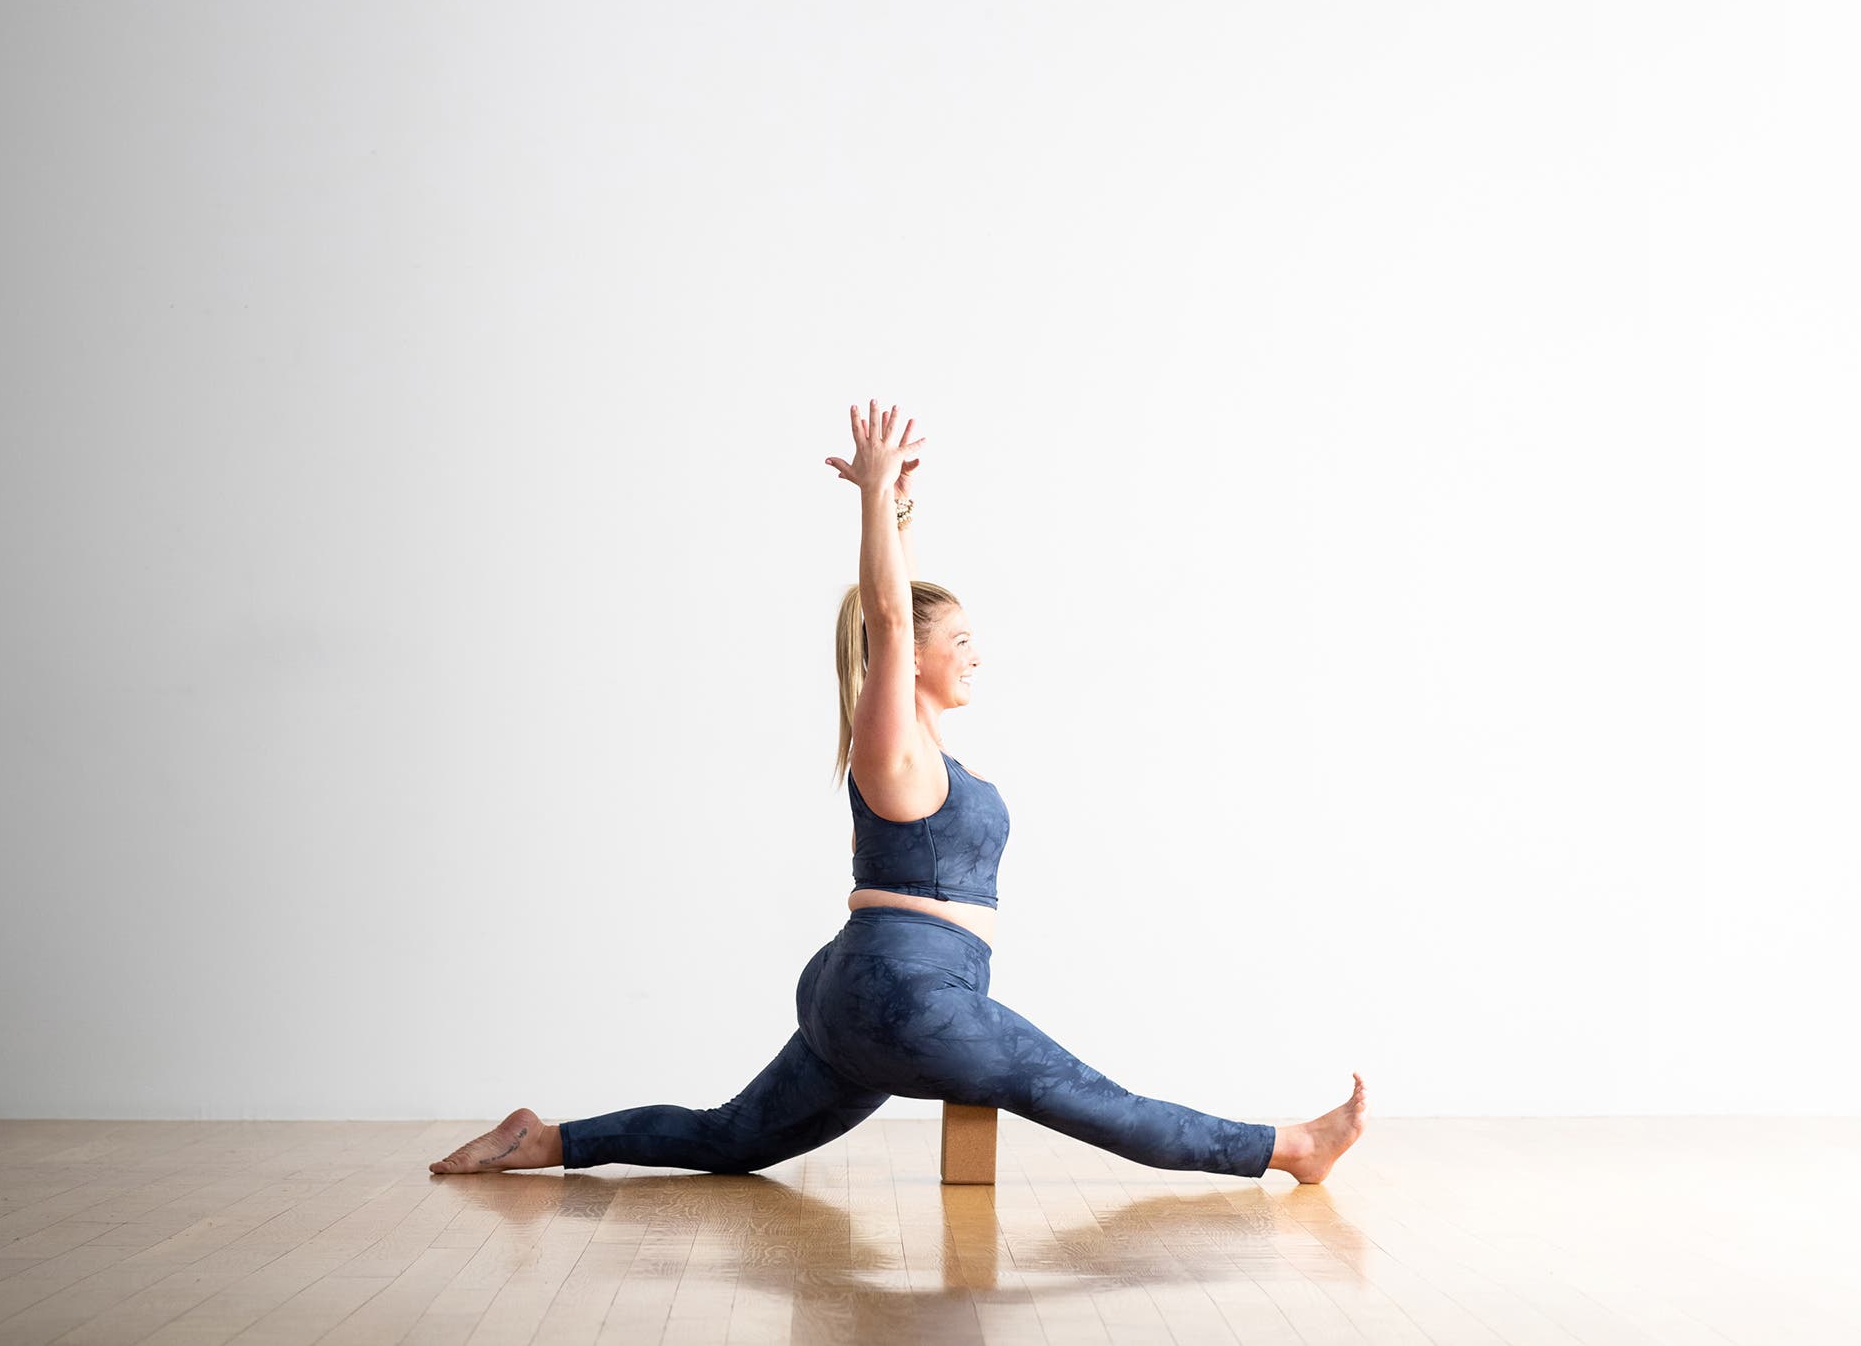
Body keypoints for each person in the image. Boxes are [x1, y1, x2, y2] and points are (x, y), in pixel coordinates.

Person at [431, 400, 1368, 1182]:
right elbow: (886, 609)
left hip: (880, 989)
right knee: (1096, 1101)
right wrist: (876, 497)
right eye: (959, 641)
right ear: (906, 658)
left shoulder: (922, 749)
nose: (976, 656)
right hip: (907, 995)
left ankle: (547, 1139)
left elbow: (895, 604)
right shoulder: (890, 744)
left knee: (734, 1139)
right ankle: (1293, 1148)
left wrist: (905, 520)